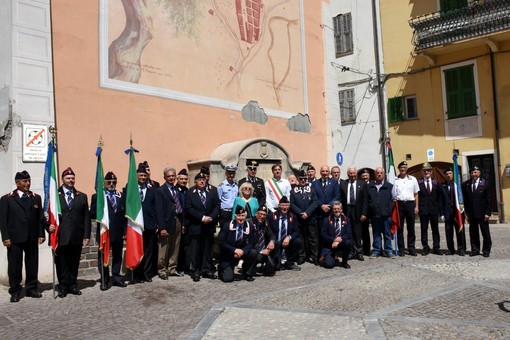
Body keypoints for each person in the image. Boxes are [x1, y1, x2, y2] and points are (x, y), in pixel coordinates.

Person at [0, 171, 46, 302]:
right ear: (17, 183)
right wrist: (5, 237)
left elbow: (39, 217)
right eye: (25, 181)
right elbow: (3, 220)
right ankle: (15, 290)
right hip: (15, 238)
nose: (28, 183)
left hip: (32, 237)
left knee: (32, 264)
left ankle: (31, 288)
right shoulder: (7, 199)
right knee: (14, 266)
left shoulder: (35, 197)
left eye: (29, 181)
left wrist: (41, 233)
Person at [51, 167, 91, 297]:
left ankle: (73, 285)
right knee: (61, 263)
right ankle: (63, 286)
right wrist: (48, 227)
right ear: (62, 179)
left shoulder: (82, 196)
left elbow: (86, 217)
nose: (71, 180)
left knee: (74, 262)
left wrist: (86, 235)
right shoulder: (54, 196)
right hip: (60, 236)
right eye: (68, 178)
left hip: (76, 236)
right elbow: (47, 216)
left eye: (72, 178)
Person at [90, 171, 127, 290]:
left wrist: (125, 231)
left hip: (118, 231)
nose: (111, 184)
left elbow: (125, 214)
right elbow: (92, 214)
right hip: (104, 232)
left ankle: (116, 277)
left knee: (117, 255)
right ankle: (105, 279)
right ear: (104, 183)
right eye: (109, 182)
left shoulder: (121, 195)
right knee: (103, 256)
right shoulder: (98, 197)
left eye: (114, 182)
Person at [185, 172, 220, 282]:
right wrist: (202, 217)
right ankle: (196, 270)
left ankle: (206, 269)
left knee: (208, 248)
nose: (202, 181)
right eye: (199, 180)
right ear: (195, 182)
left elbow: (217, 205)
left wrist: (211, 217)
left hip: (209, 225)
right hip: (196, 225)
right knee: (195, 249)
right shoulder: (190, 192)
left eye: (203, 179)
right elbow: (189, 208)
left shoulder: (212, 191)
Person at [133, 164, 158, 283]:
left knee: (148, 251)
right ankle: (137, 274)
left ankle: (147, 273)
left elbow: (156, 207)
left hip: (149, 224)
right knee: (137, 249)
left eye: (144, 175)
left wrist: (157, 224)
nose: (143, 177)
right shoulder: (130, 188)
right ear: (136, 176)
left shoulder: (152, 189)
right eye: (140, 175)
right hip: (136, 225)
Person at [218, 206, 257, 282]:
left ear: (246, 216)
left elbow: (252, 243)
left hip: (242, 252)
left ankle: (247, 273)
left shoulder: (250, 226)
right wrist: (234, 250)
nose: (241, 218)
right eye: (238, 216)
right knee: (228, 279)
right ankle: (221, 269)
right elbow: (222, 242)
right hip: (229, 253)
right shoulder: (227, 225)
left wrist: (243, 251)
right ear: (235, 216)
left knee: (253, 252)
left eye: (243, 216)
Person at [290, 170, 320, 265]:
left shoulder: (311, 190)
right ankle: (302, 256)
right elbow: (292, 204)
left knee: (312, 238)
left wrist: (307, 213)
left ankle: (314, 256)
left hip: (310, 217)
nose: (303, 180)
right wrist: (300, 213)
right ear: (298, 179)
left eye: (304, 179)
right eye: (301, 179)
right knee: (301, 238)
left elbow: (315, 202)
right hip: (299, 218)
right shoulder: (293, 191)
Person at [155, 167, 179, 280]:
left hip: (177, 220)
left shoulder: (177, 189)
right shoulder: (160, 191)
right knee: (164, 247)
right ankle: (162, 270)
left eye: (173, 176)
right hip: (166, 222)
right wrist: (162, 227)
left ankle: (172, 268)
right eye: (168, 176)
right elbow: (158, 210)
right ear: (164, 177)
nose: (171, 178)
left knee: (175, 245)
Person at [267, 196, 303, 271]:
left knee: (298, 241)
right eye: (282, 205)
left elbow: (297, 231)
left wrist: (289, 237)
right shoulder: (271, 216)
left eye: (286, 205)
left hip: (288, 243)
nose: (284, 208)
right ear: (279, 206)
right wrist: (272, 240)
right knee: (276, 267)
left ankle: (290, 262)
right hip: (276, 243)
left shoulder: (293, 217)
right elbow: (268, 230)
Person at [462, 166, 492, 257]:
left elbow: (489, 200)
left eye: (475, 172)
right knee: (473, 232)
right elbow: (465, 200)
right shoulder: (466, 184)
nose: (474, 174)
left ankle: (486, 251)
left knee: (485, 232)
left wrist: (488, 213)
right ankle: (475, 250)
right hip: (472, 213)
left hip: (482, 213)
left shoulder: (485, 183)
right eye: (472, 173)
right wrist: (466, 212)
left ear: (479, 173)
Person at [340, 167, 368, 261]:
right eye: (350, 173)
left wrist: (364, 213)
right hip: (347, 209)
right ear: (348, 174)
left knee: (358, 232)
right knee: (349, 232)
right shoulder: (343, 183)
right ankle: (350, 252)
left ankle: (359, 252)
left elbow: (365, 200)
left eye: (354, 173)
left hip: (357, 210)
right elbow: (340, 198)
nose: (352, 175)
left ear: (356, 174)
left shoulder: (362, 184)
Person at [417, 163, 446, 256]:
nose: (426, 172)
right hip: (423, 210)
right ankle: (425, 247)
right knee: (424, 230)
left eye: (428, 170)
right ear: (422, 172)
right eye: (425, 170)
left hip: (434, 209)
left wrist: (441, 211)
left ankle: (436, 247)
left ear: (431, 172)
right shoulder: (419, 183)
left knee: (435, 229)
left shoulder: (436, 182)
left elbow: (440, 197)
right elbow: (416, 196)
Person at [392, 161, 419, 256]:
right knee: (400, 228)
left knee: (411, 228)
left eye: (404, 167)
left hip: (410, 204)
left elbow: (416, 194)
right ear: (399, 169)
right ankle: (401, 249)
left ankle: (411, 248)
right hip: (399, 204)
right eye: (401, 168)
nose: (403, 169)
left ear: (407, 169)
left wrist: (416, 206)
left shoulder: (413, 179)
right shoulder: (395, 180)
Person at [367, 167, 395, 257]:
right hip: (375, 214)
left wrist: (388, 209)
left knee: (387, 233)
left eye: (381, 173)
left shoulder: (390, 186)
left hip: (386, 214)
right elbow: (367, 200)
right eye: (377, 173)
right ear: (375, 175)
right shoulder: (370, 186)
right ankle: (376, 250)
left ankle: (388, 251)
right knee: (376, 233)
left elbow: (394, 200)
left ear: (384, 174)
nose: (379, 174)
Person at [441, 167, 466, 256]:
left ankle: (461, 249)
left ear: (453, 174)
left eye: (450, 173)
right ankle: (450, 249)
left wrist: (464, 210)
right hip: (448, 211)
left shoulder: (459, 185)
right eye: (447, 174)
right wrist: (442, 213)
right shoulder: (442, 185)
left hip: (457, 211)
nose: (448, 175)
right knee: (448, 231)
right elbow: (441, 200)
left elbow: (465, 198)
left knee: (460, 230)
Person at [320, 201, 352, 269]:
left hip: (341, 243)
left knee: (348, 242)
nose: (337, 210)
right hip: (330, 244)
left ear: (341, 209)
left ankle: (344, 262)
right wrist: (334, 240)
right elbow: (323, 234)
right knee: (329, 265)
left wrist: (339, 240)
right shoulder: (326, 220)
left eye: (338, 208)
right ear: (332, 210)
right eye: (334, 209)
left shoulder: (347, 220)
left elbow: (349, 234)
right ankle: (332, 256)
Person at [250, 206, 276, 276]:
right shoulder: (250, 224)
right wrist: (261, 251)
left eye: (264, 215)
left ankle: (264, 266)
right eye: (260, 214)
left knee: (272, 270)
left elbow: (271, 234)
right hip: (254, 250)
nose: (262, 216)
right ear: (256, 214)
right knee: (258, 256)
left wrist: (272, 241)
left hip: (265, 249)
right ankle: (249, 266)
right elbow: (250, 242)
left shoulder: (265, 223)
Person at [176, 169, 190, 274]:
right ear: (177, 179)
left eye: (185, 179)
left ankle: (185, 265)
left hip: (187, 221)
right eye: (181, 179)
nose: (183, 181)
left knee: (186, 245)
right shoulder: (174, 190)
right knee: (178, 246)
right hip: (178, 221)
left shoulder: (188, 191)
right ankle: (178, 266)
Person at [218, 164, 239, 228]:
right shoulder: (221, 186)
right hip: (225, 212)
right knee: (224, 230)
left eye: (233, 173)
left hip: (234, 212)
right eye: (229, 173)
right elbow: (219, 200)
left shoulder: (236, 186)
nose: (231, 175)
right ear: (226, 173)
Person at [359, 168, 372, 256]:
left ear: (369, 176)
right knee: (362, 230)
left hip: (372, 211)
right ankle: (362, 248)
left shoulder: (372, 185)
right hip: (363, 211)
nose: (364, 177)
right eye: (363, 176)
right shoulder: (359, 185)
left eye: (366, 176)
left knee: (369, 232)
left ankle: (368, 249)